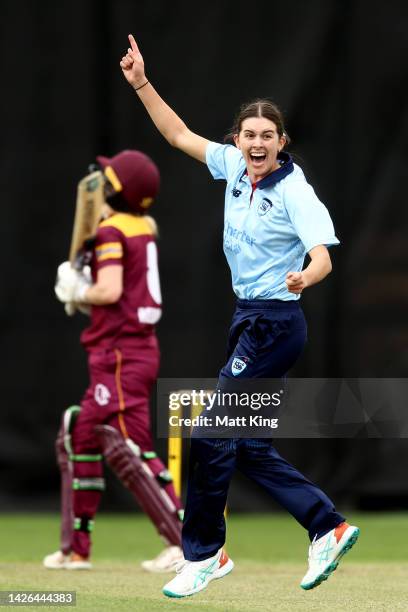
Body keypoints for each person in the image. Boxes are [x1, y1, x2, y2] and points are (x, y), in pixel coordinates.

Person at [119, 35, 360, 597]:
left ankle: (204, 554)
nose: (256, 143)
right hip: (248, 318)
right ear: (238, 140)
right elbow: (178, 135)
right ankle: (327, 525)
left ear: (281, 143)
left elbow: (323, 252)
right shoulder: (230, 165)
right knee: (246, 446)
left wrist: (307, 275)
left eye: (266, 137)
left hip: (276, 324)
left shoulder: (295, 191)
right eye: (248, 135)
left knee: (206, 436)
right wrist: (141, 85)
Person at [43, 150, 184, 573]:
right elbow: (121, 298)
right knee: (78, 436)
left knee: (132, 449)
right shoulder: (141, 227)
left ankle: (189, 543)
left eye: (106, 180)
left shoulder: (111, 232)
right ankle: (76, 549)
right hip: (124, 351)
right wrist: (84, 294)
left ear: (113, 191)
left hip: (121, 355)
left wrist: (76, 291)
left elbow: (107, 292)